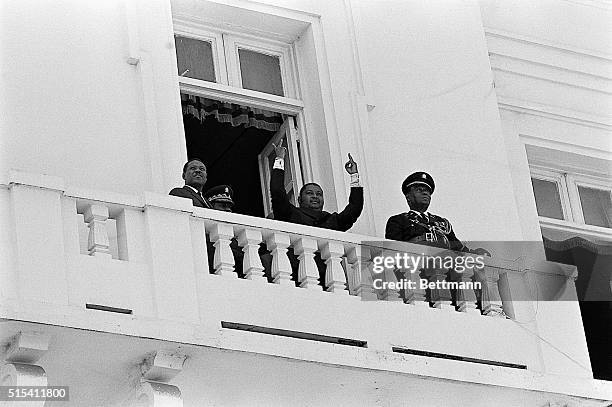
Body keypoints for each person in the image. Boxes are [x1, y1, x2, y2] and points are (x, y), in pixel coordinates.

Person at [385, 171, 489, 255]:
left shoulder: (441, 222)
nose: (425, 193)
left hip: (445, 271)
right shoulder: (398, 221)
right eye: (419, 190)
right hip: (417, 270)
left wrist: (473, 253)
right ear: (408, 197)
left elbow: (457, 247)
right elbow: (394, 251)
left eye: (428, 191)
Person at [270, 143, 363, 231]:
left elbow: (355, 208)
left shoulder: (333, 220)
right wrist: (279, 159)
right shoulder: (290, 214)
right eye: (309, 193)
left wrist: (354, 175)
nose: (315, 196)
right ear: (299, 200)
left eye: (319, 194)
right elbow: (277, 191)